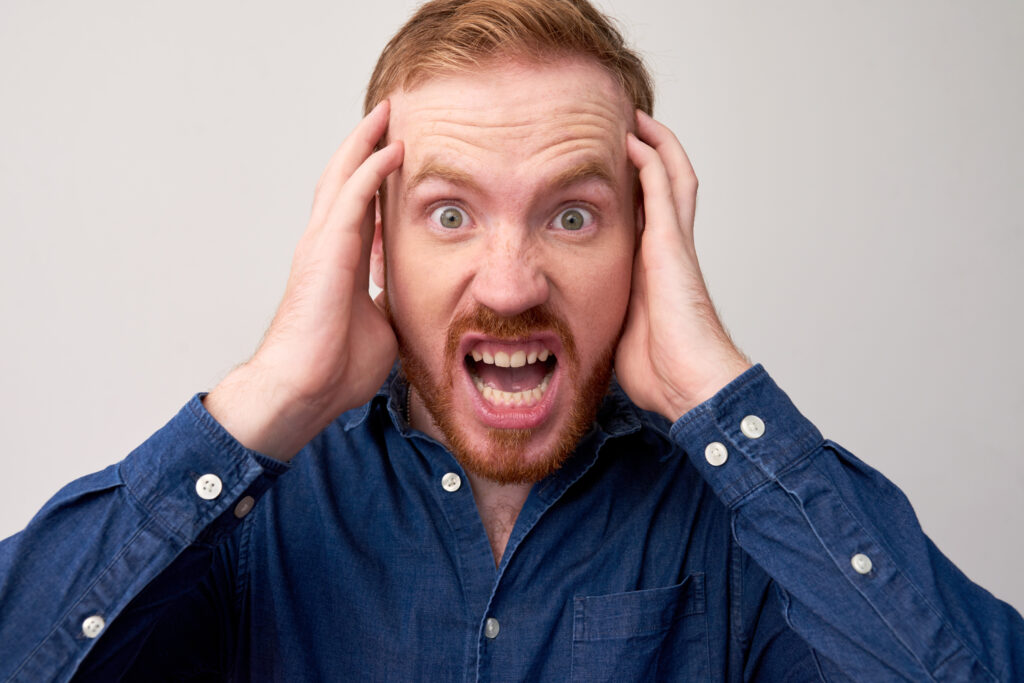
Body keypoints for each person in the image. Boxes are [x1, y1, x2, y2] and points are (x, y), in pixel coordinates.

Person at [1, 0, 1021, 679]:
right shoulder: (247, 522)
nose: (509, 282)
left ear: (647, 241)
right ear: (373, 242)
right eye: (449, 214)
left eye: (571, 215)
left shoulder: (743, 530)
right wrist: (270, 391)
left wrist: (718, 385)